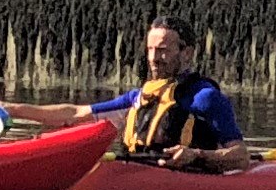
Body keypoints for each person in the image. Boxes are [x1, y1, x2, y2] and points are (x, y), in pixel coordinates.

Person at [85, 16, 263, 171]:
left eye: (163, 50)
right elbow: (76, 113)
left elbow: (241, 157)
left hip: (190, 180)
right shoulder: (141, 97)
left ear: (187, 53)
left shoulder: (206, 98)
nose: (153, 58)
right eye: (150, 49)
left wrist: (196, 155)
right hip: (138, 172)